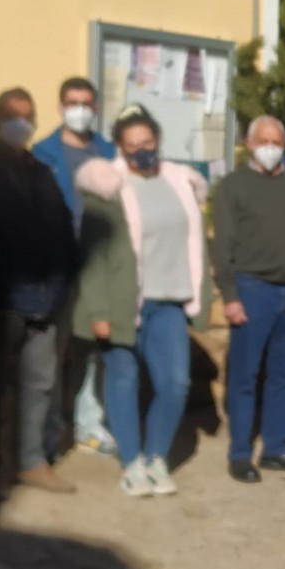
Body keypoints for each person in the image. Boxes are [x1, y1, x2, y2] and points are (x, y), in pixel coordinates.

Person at [72, 104, 211, 497]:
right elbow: (93, 255)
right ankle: (131, 463)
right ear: (120, 146)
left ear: (158, 141)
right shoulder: (107, 186)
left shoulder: (180, 182)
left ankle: (156, 458)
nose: (140, 150)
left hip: (170, 300)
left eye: (146, 142)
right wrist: (98, 310)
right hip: (121, 302)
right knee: (124, 379)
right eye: (131, 145)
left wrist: (203, 293)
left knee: (176, 383)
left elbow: (195, 244)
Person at [0, 88, 79, 500]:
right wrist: (11, 279)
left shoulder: (41, 172)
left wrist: (60, 280)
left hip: (46, 298)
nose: (20, 124)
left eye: (28, 116)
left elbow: (61, 229)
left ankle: (31, 462)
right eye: (12, 115)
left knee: (40, 383)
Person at [213, 116, 285, 483]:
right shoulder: (234, 186)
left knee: (284, 376)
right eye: (265, 140)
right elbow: (223, 246)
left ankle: (276, 449)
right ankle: (240, 454)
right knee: (244, 377)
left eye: (278, 140)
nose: (272, 147)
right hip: (252, 291)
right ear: (249, 142)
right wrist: (230, 296)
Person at [32, 77, 118, 457]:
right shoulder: (43, 155)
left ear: (96, 108)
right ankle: (49, 434)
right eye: (72, 102)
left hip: (101, 267)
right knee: (52, 355)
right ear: (60, 106)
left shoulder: (110, 153)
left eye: (86, 102)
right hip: (58, 269)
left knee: (95, 350)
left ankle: (89, 424)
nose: (79, 109)